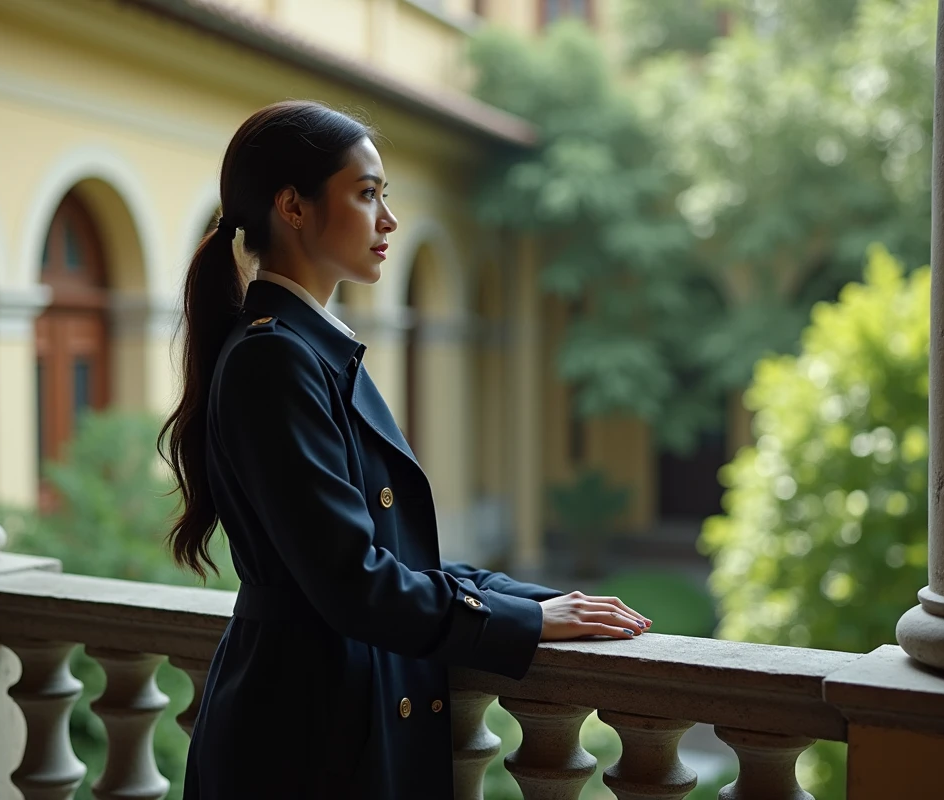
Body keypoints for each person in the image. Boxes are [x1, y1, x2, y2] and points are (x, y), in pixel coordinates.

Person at [162, 100, 651, 800]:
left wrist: (528, 600)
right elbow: (353, 578)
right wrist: (526, 621)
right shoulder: (277, 360)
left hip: (331, 710)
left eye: (385, 196)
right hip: (304, 736)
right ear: (292, 207)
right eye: (367, 195)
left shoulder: (306, 350)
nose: (388, 220)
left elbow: (384, 554)